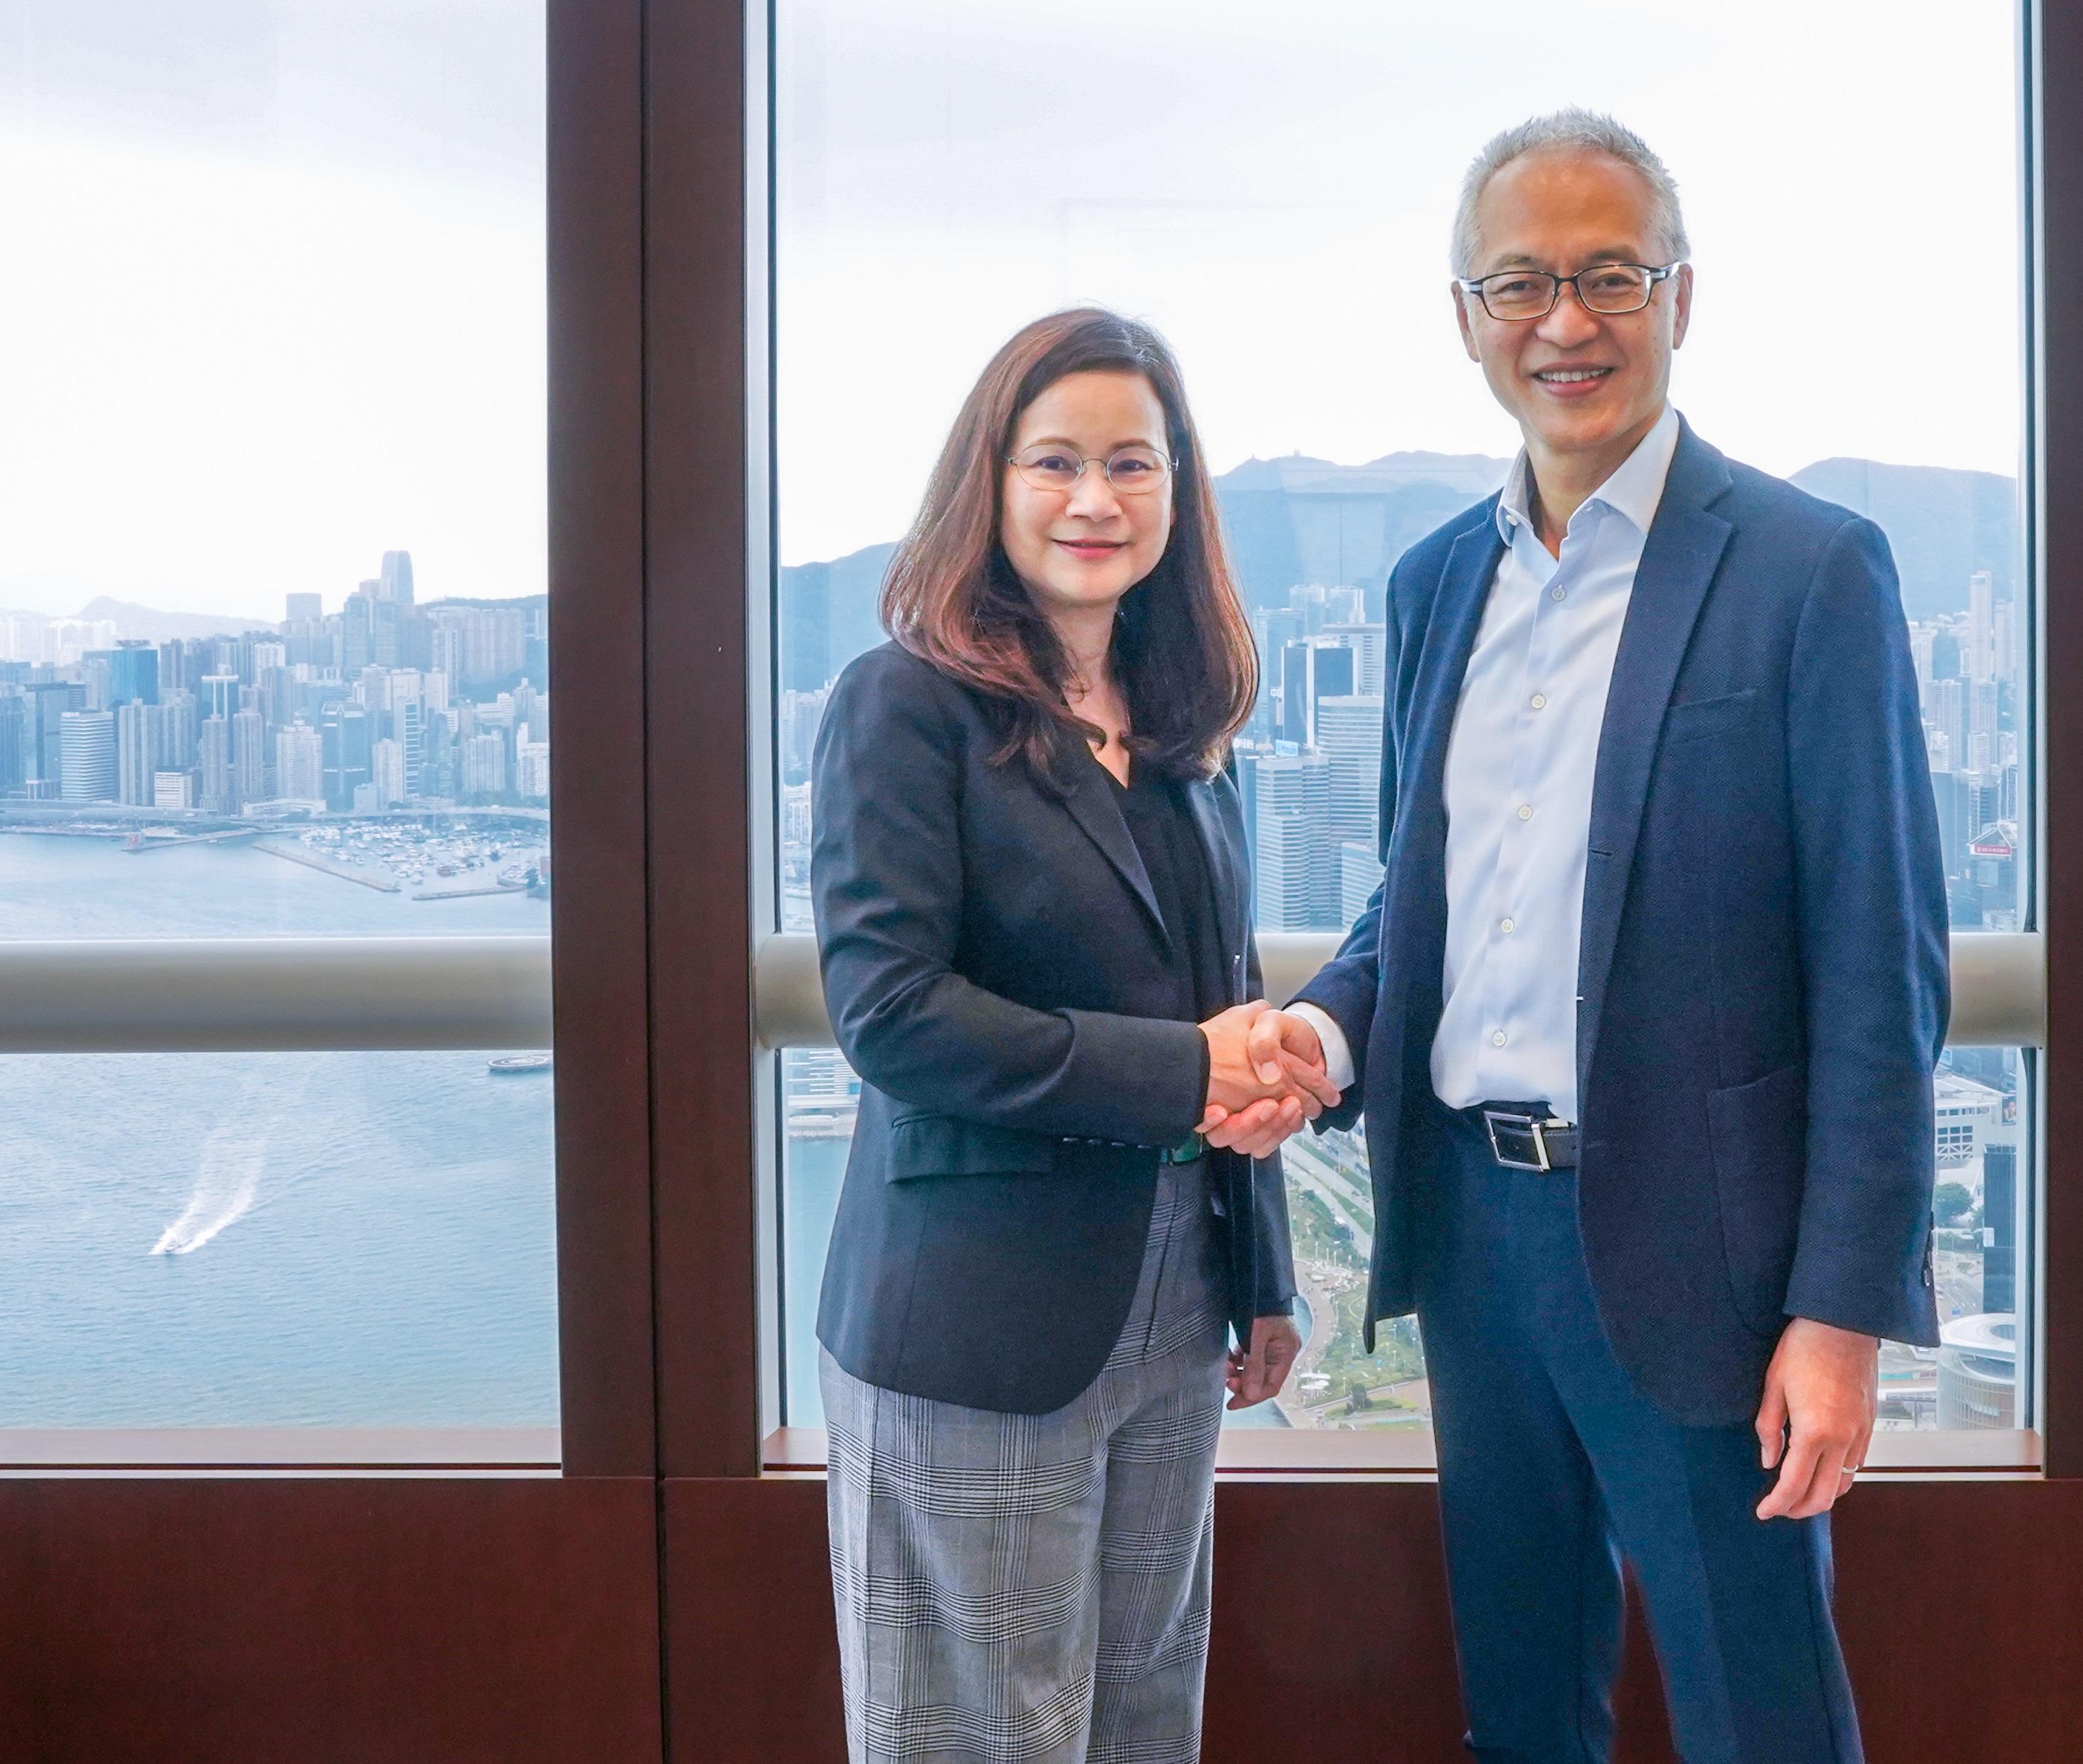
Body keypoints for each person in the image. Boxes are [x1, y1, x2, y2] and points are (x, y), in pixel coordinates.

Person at [1277, 111, 1951, 1763]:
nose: (1563, 321)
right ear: (1463, 315)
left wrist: (1840, 1309)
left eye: (1607, 276)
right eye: (1520, 282)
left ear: (1680, 295)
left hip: (1701, 1254)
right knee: (1521, 1704)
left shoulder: (1808, 573)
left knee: (1759, 1713)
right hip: (1471, 1230)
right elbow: (1419, 893)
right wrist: (1331, 1025)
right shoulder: (1438, 580)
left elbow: (1882, 967)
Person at [810, 308, 1334, 1764]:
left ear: (1177, 493)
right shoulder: (901, 707)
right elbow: (892, 1012)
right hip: (977, 1324)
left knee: (1141, 1718)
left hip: (1173, 1306)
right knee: (981, 1737)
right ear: (990, 483)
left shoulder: (1180, 733)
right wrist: (1186, 1072)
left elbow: (1226, 999)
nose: (1094, 499)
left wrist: (1263, 1264)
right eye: (1054, 461)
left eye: (1130, 462)